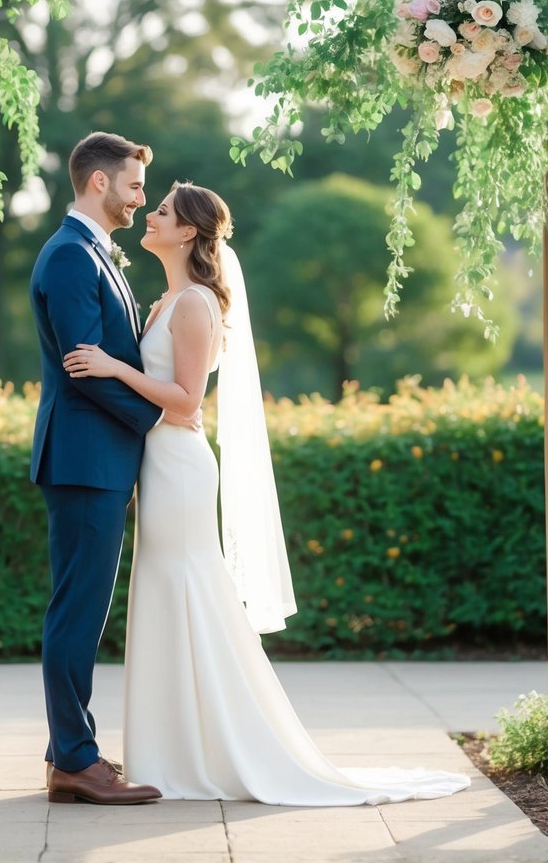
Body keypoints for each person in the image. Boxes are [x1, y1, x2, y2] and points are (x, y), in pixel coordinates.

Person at [63, 182, 471, 805]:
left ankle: (221, 747)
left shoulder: (196, 304)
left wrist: (116, 368)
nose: (151, 215)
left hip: (180, 469)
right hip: (158, 466)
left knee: (188, 590)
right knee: (165, 594)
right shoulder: (163, 303)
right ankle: (174, 750)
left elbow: (188, 404)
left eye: (164, 212)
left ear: (191, 233)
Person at [30, 131, 169, 806]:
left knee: (81, 609)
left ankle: (69, 751)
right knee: (76, 613)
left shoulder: (92, 252)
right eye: (134, 186)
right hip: (85, 458)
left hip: (100, 457)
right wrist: (158, 418)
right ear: (98, 183)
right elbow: (82, 367)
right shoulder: (66, 257)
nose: (141, 199)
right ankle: (76, 762)